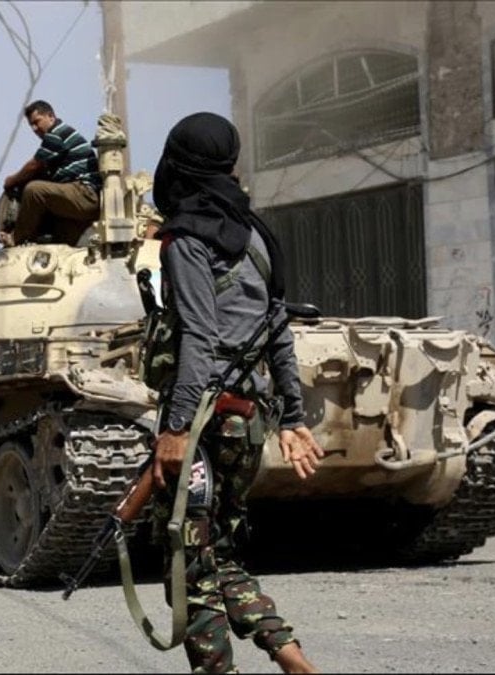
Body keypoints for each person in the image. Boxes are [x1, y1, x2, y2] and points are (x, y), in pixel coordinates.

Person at [148, 112, 326, 674]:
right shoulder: (255, 235)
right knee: (216, 550)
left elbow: (198, 336)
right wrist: (292, 418)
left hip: (203, 422)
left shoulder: (186, 239)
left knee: (188, 565)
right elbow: (278, 329)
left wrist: (175, 430)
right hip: (247, 419)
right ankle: (291, 657)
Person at [0, 100, 101, 247]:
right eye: (31, 125)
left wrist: (12, 180)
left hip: (85, 193)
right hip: (79, 195)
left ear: (51, 117)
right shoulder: (58, 135)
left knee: (34, 190)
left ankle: (16, 238)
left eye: (37, 122)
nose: (34, 128)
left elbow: (34, 165)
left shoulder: (57, 133)